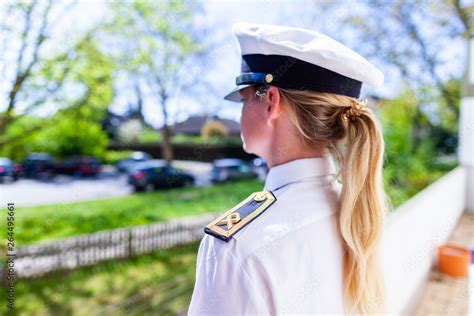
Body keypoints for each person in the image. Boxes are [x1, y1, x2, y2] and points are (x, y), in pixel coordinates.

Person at [188, 22, 390, 315]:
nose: (241, 112)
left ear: (270, 101)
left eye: (244, 100)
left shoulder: (236, 249)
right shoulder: (357, 212)